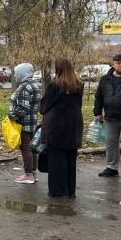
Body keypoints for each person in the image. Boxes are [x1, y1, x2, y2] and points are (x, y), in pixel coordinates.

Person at [40, 58, 84, 198]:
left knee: (57, 159)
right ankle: (71, 190)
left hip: (57, 126)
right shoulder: (78, 84)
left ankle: (58, 191)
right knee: (71, 159)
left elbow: (44, 107)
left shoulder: (55, 85)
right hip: (74, 125)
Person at [9, 63, 41, 184]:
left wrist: (11, 116)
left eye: (17, 73)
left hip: (23, 123)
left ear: (23, 73)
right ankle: (33, 173)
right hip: (32, 121)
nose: (15, 76)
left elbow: (22, 108)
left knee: (25, 147)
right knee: (32, 148)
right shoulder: (34, 85)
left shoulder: (24, 87)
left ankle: (28, 175)